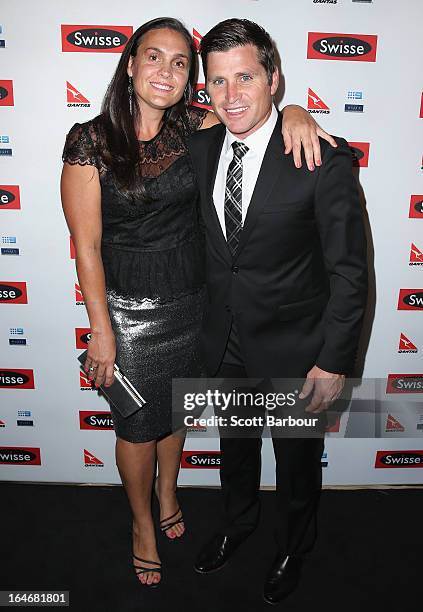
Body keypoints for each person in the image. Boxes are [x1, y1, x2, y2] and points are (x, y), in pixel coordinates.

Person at [61, 17, 337, 588]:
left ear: (191, 79)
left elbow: (253, 113)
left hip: (197, 308)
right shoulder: (89, 139)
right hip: (129, 316)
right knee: (139, 427)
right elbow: (85, 247)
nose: (167, 70)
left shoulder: (198, 125)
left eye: (180, 62)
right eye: (154, 57)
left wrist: (297, 113)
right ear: (130, 63)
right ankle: (142, 525)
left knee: (179, 419)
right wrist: (101, 329)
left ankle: (170, 498)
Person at [188, 18, 368, 604]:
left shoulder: (322, 158)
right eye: (217, 82)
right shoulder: (200, 146)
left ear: (274, 79)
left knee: (296, 469)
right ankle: (238, 526)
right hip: (225, 344)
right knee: (234, 453)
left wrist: (334, 360)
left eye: (245, 77)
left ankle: (293, 546)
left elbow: (349, 272)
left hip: (297, 351)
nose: (231, 94)